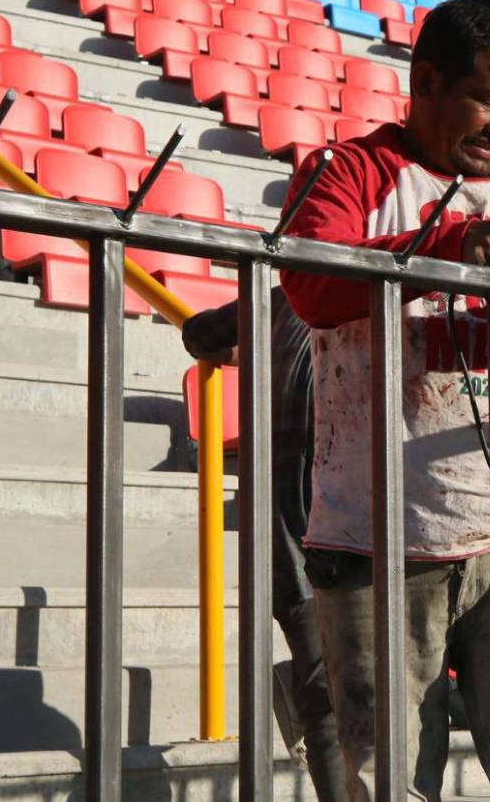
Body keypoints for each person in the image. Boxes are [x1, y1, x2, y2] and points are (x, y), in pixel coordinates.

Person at [277, 0, 490, 801]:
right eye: (489, 101)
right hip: (375, 533)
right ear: (425, 82)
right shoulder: (348, 172)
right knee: (388, 783)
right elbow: (311, 283)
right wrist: (451, 244)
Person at [181, 290, 349, 802]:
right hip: (314, 542)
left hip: (309, 541)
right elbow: (198, 334)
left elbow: (199, 335)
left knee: (332, 688)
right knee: (332, 694)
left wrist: (255, 349)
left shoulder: (281, 301)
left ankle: (300, 691)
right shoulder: (297, 302)